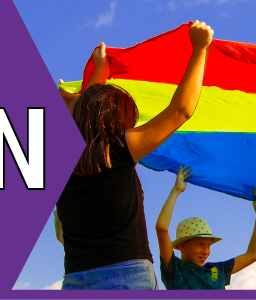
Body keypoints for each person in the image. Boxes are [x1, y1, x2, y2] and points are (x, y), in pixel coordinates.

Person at [52, 20, 214, 290]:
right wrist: (200, 49)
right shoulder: (118, 148)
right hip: (126, 277)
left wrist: (99, 73)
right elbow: (180, 110)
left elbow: (84, 118)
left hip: (75, 281)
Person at [153, 166, 256, 290]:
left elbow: (253, 255)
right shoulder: (175, 269)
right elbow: (161, 228)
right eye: (200, 244)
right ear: (182, 245)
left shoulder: (218, 270)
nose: (206, 251)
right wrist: (176, 190)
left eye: (208, 245)